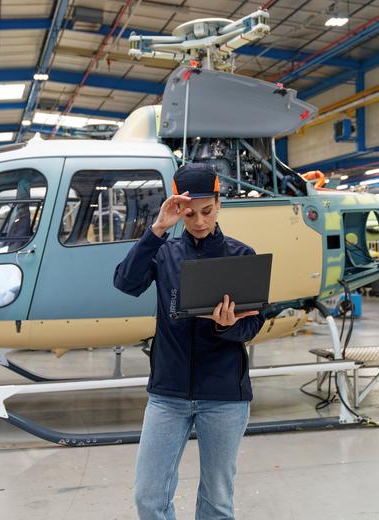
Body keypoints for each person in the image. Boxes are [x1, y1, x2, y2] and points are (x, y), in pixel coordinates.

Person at [113, 162, 265, 520]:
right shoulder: (163, 253)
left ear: (219, 204)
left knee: (217, 501)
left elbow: (253, 324)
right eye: (189, 213)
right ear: (178, 209)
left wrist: (227, 326)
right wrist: (157, 230)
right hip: (168, 395)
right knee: (148, 497)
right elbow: (125, 283)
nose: (199, 222)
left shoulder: (241, 257)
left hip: (224, 395)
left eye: (207, 211)